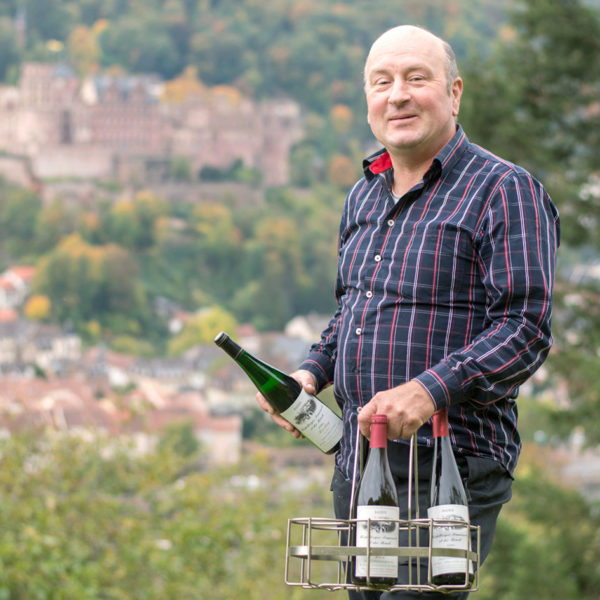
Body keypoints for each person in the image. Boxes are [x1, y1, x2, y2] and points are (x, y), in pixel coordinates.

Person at [256, 24, 559, 599]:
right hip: (360, 463)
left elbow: (526, 329)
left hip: (447, 467)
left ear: (454, 92)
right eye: (382, 81)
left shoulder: (504, 190)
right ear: (368, 99)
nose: (398, 94)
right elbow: (353, 312)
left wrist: (428, 390)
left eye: (416, 78)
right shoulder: (363, 193)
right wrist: (309, 374)